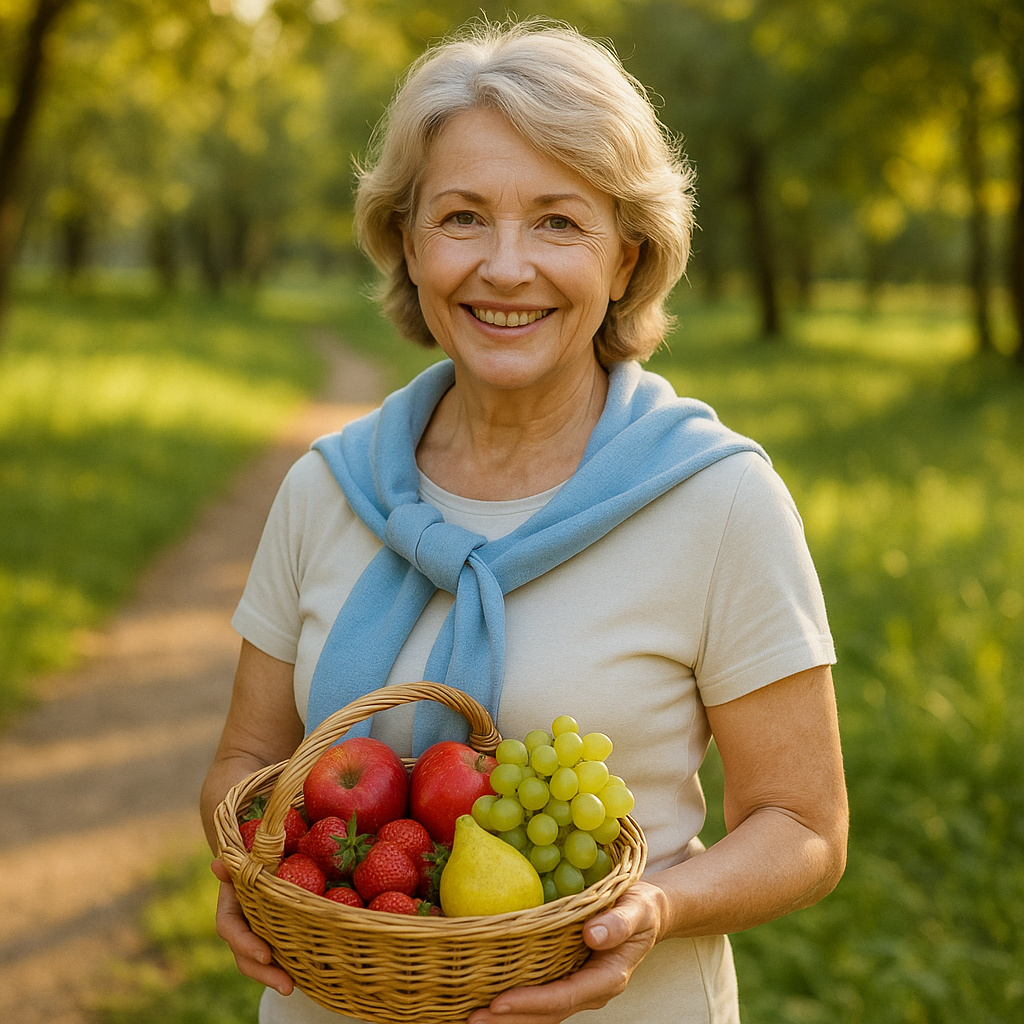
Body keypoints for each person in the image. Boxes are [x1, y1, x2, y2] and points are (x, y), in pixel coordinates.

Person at [200, 18, 848, 1024]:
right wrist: (243, 867)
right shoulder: (325, 487)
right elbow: (246, 763)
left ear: (626, 257)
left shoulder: (717, 498)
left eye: (558, 222)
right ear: (408, 242)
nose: (505, 268)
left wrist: (655, 908)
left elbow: (803, 826)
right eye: (462, 217)